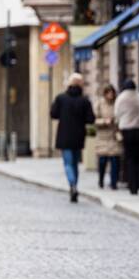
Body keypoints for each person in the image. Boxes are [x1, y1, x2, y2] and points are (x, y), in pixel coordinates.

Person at [51, 72, 95, 203]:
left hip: (64, 135)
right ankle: (75, 184)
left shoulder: (61, 98)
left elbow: (53, 114)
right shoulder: (84, 100)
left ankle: (72, 184)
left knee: (68, 163)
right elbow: (90, 118)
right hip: (78, 135)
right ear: (81, 85)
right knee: (75, 163)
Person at [115, 80, 139, 195]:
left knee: (130, 159)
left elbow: (117, 114)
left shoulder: (121, 98)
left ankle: (133, 187)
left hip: (127, 130)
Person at [94, 84, 123, 190]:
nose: (111, 95)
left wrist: (116, 121)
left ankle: (113, 183)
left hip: (114, 135)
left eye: (112, 93)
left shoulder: (117, 103)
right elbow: (94, 119)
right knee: (102, 161)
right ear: (105, 93)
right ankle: (101, 179)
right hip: (103, 136)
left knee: (115, 160)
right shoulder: (99, 104)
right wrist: (104, 121)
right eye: (109, 93)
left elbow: (121, 116)